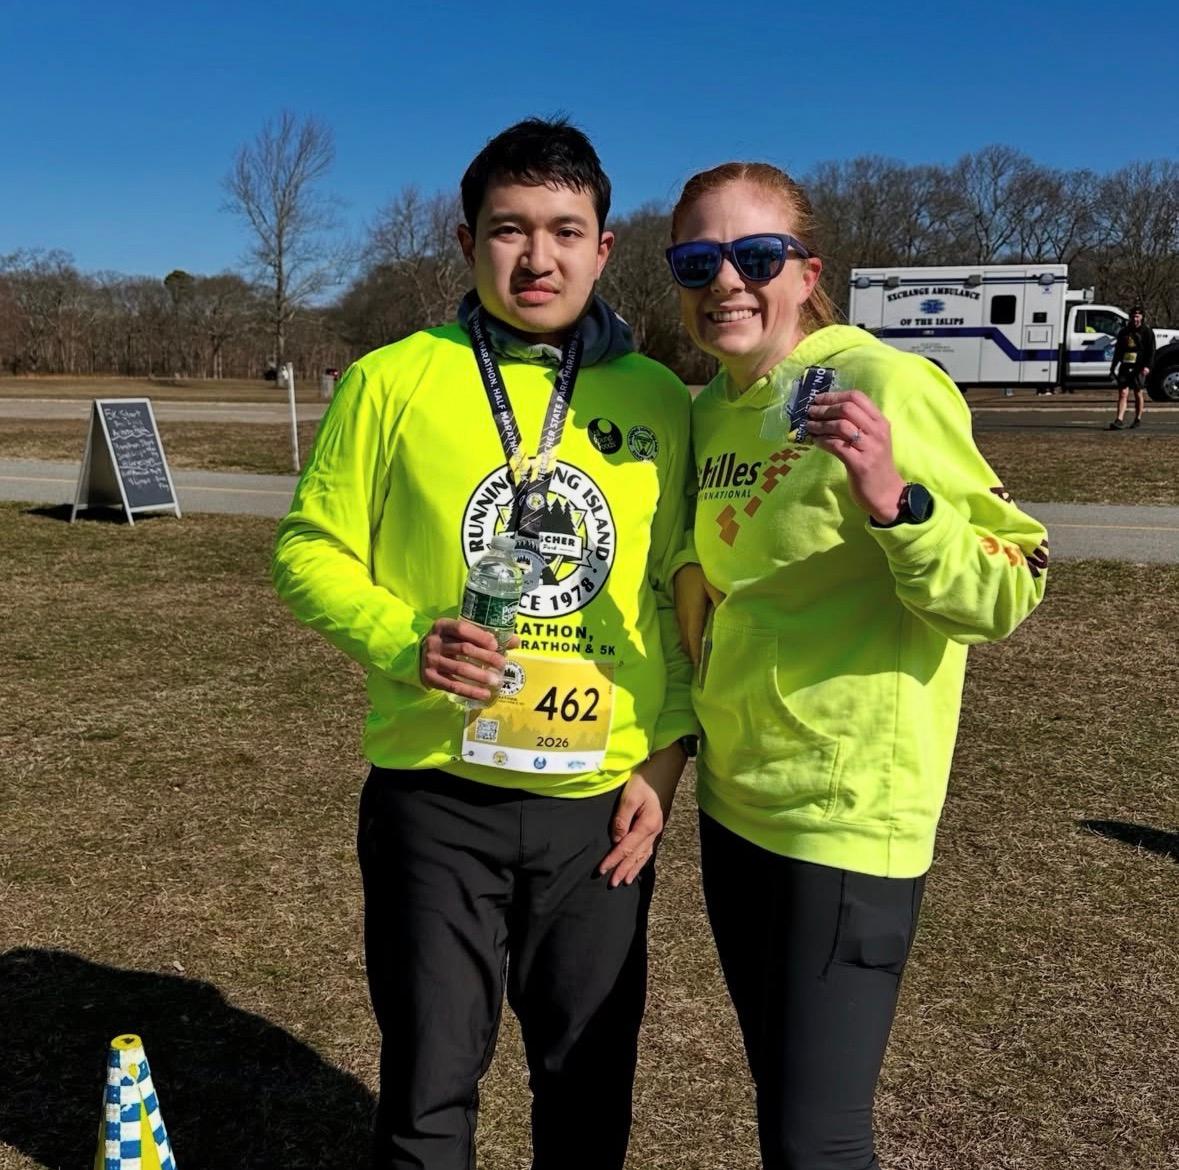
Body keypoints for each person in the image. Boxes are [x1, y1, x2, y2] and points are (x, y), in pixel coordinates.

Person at [272, 118, 695, 1170]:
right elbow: (307, 551)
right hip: (435, 794)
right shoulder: (391, 379)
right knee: (427, 1085)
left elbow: (679, 595)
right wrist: (403, 637)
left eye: (566, 230)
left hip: (597, 806)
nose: (538, 257)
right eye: (510, 229)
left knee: (588, 1088)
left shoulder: (658, 398)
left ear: (606, 247)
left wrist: (666, 758)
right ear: (466, 243)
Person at [666, 162, 1049, 1170]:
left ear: (806, 271)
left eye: (755, 256)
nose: (726, 283)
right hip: (734, 802)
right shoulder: (710, 411)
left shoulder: (886, 382)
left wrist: (898, 503)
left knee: (817, 1135)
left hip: (846, 820)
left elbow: (1011, 586)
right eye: (697, 261)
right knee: (782, 1100)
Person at [1108, 305, 1154, 429]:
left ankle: (1137, 418)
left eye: (1138, 316)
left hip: (1139, 366)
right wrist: (1113, 367)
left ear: (1142, 317)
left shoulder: (1147, 332)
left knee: (1138, 392)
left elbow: (1151, 351)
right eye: (1133, 316)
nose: (1135, 319)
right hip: (1125, 365)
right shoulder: (1124, 332)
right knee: (1123, 393)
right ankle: (1119, 419)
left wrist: (1147, 367)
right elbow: (1118, 351)